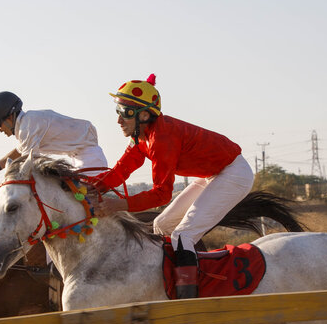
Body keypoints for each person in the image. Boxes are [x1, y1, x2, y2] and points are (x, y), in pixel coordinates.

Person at [92, 74, 255, 299]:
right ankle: (168, 282)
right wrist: (86, 188)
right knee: (162, 224)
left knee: (183, 235)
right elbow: (119, 172)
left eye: (125, 113)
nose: (119, 120)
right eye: (118, 111)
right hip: (213, 174)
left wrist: (117, 205)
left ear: (145, 115)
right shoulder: (141, 136)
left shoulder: (161, 138)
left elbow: (161, 194)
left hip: (233, 174)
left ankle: (188, 300)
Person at [0, 91, 108, 186]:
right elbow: (19, 152)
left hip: (90, 159)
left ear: (9, 117)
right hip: (80, 158)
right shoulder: (28, 123)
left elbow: (26, 165)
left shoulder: (28, 126)